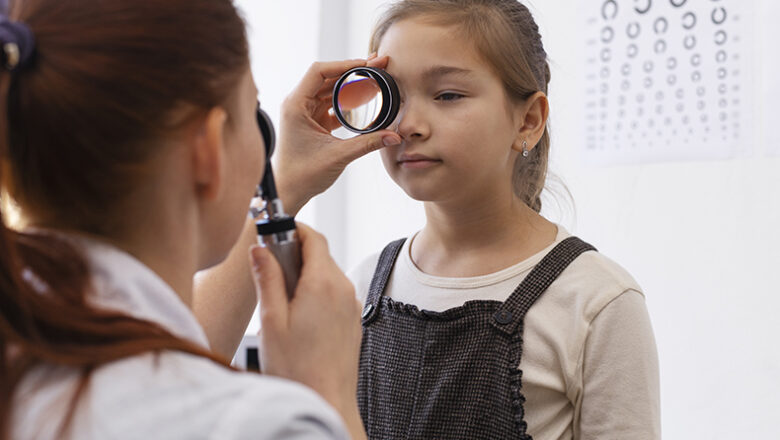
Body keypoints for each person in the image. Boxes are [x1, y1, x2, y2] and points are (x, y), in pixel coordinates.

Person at [0, 0, 401, 439]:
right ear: (207, 148)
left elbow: (156, 354)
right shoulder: (269, 426)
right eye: (254, 113)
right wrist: (327, 394)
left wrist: (284, 183)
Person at [340, 1, 660, 439]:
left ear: (528, 120)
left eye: (447, 95)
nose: (408, 124)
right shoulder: (361, 287)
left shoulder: (596, 302)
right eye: (392, 97)